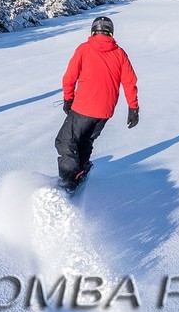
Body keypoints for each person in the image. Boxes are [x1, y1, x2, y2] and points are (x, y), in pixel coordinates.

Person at [56, 15, 139, 190]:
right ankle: (82, 166)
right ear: (110, 31)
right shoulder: (119, 53)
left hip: (84, 106)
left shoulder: (84, 49)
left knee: (66, 141)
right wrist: (133, 108)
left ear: (93, 30)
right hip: (105, 111)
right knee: (86, 140)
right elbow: (130, 82)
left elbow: (69, 77)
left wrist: (68, 98)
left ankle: (69, 179)